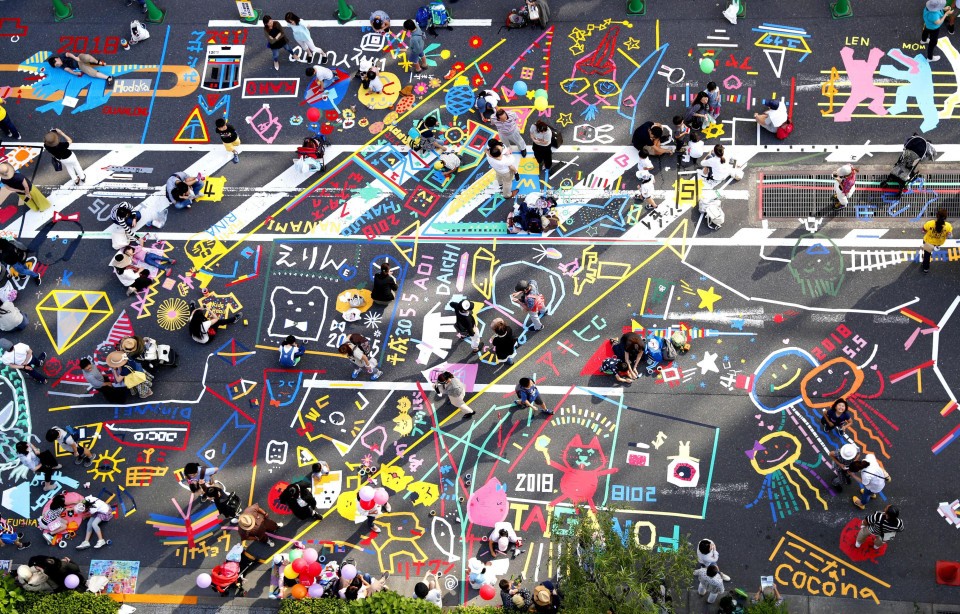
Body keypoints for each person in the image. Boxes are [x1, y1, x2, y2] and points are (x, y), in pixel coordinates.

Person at [46, 52, 114, 86]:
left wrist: (75, 58)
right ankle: (108, 77)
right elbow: (68, 69)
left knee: (87, 57)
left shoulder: (61, 56)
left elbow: (68, 54)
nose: (59, 65)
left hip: (79, 57)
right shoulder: (61, 66)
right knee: (91, 73)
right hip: (79, 65)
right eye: (57, 66)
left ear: (56, 59)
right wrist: (75, 73)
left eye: (57, 64)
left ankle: (97, 62)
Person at [921, 208, 952, 273]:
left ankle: (925, 268)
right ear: (945, 217)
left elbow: (923, 231)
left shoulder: (929, 223)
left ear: (937, 216)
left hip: (928, 242)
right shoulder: (948, 226)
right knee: (930, 250)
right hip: (939, 243)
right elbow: (950, 236)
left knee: (927, 255)